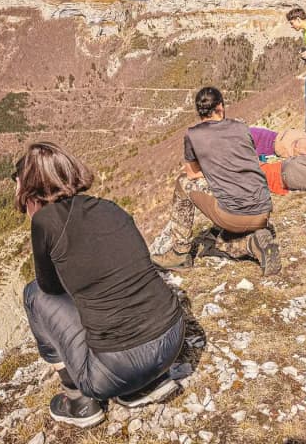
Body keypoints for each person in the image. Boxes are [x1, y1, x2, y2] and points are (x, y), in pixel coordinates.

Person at [15, 142, 185, 429]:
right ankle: (142, 386)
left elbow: (50, 288)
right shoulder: (110, 207)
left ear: (30, 190)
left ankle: (79, 401)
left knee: (33, 294)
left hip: (119, 368)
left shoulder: (44, 221)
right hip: (172, 340)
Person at [151, 87, 281, 274]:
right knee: (221, 236)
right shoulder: (241, 126)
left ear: (199, 111)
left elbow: (192, 174)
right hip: (263, 211)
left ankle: (180, 253)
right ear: (220, 106)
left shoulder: (193, 135)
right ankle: (258, 236)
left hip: (233, 216)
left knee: (182, 183)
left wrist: (214, 170)